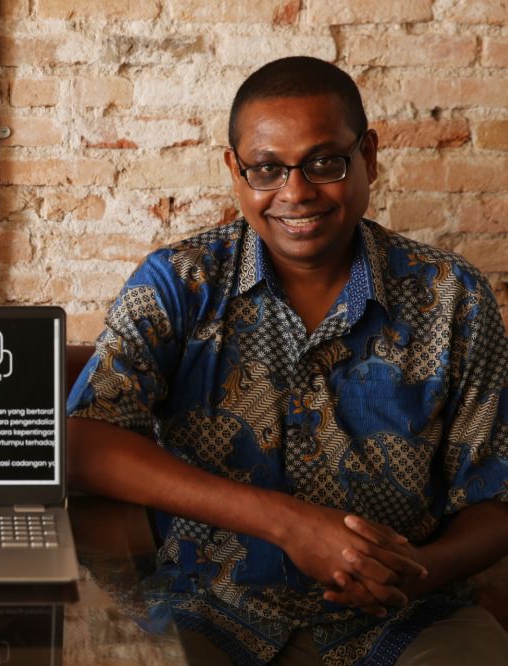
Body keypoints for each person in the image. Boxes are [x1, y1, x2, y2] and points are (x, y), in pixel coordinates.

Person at [66, 56, 508, 665]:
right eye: (267, 169)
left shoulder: (452, 295)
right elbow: (85, 442)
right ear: (234, 170)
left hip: (405, 615)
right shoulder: (181, 283)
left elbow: (496, 493)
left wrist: (409, 573)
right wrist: (289, 524)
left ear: (369, 156)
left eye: (325, 162)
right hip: (202, 605)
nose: (295, 192)